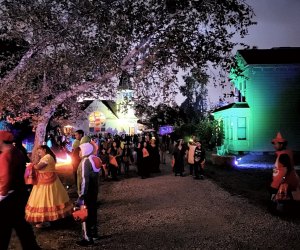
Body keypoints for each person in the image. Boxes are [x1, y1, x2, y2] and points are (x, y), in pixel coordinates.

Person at [0, 131, 41, 250]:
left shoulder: (5, 156)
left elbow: (5, 177)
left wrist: (2, 194)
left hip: (9, 198)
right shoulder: (17, 152)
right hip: (20, 194)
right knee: (21, 225)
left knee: (4, 227)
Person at [25, 145, 73, 228]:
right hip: (45, 181)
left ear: (44, 150)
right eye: (37, 152)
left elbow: (38, 167)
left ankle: (46, 220)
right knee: (49, 200)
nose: (38, 153)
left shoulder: (47, 157)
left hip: (48, 182)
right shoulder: (46, 157)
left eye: (39, 151)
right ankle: (48, 220)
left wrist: (30, 165)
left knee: (46, 200)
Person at [76, 142, 102, 246]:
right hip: (94, 192)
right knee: (93, 213)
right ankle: (94, 234)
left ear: (85, 150)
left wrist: (81, 195)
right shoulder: (94, 159)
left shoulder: (85, 162)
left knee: (84, 216)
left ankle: (87, 238)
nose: (79, 153)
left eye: (80, 150)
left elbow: (84, 179)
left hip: (86, 193)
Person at [269, 132, 300, 211]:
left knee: (278, 193)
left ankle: (277, 208)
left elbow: (287, 168)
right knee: (288, 194)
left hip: (283, 180)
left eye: (276, 144)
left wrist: (283, 178)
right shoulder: (285, 153)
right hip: (287, 178)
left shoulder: (283, 155)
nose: (274, 146)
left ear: (281, 144)